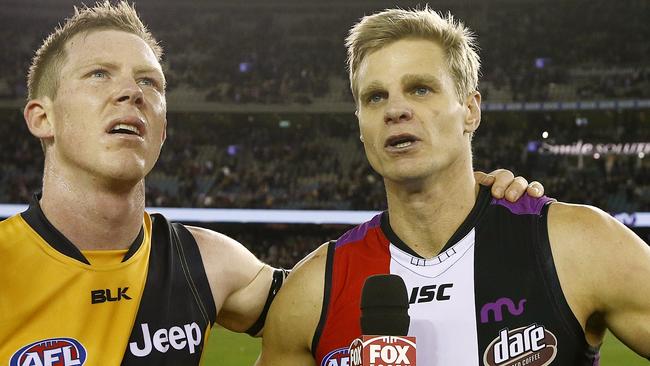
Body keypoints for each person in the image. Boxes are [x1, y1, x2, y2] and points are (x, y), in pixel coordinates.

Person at [0, 2, 542, 365]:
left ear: (163, 121)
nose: (131, 93)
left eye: (149, 82)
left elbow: (340, 294)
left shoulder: (209, 265)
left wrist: (469, 203)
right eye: (99, 74)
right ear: (40, 117)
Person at [256, 7, 650, 366]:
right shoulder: (311, 291)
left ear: (471, 110)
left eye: (420, 89)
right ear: (361, 126)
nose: (395, 110)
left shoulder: (578, 245)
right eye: (375, 97)